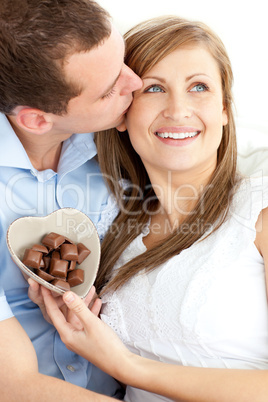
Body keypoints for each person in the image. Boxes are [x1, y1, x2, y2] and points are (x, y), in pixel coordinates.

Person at [40, 15, 268, 401]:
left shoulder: (257, 211)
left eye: (199, 87)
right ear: (122, 114)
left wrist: (126, 366)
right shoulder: (115, 230)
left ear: (225, 111)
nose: (178, 109)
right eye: (154, 89)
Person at [0, 0, 142, 400]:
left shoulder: (121, 147)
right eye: (110, 88)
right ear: (37, 119)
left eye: (124, 60)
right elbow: (12, 385)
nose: (135, 82)